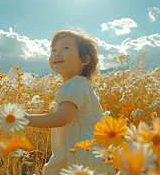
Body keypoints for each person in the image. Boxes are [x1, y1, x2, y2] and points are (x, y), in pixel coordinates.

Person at [25, 28, 105, 175]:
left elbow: (61, 119)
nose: (56, 53)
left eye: (65, 48)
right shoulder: (80, 84)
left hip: (76, 153)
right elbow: (69, 114)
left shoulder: (73, 85)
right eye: (53, 50)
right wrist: (53, 113)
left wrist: (24, 119)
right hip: (88, 151)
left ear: (84, 59)